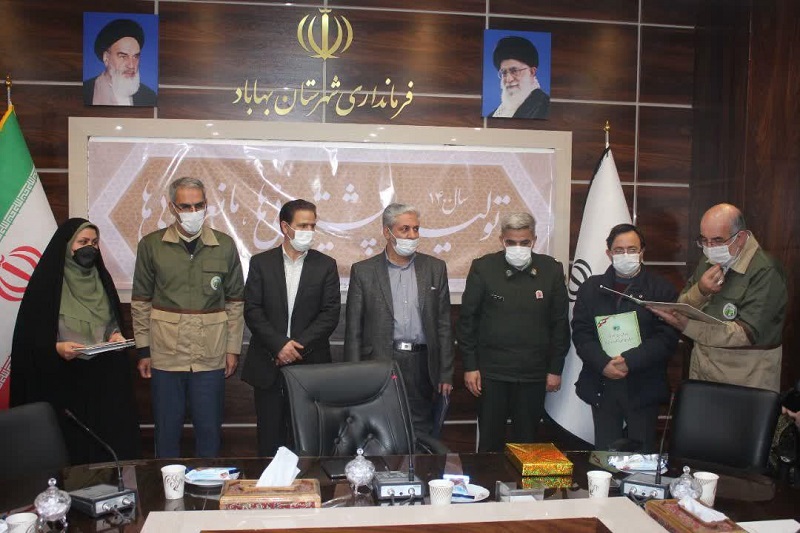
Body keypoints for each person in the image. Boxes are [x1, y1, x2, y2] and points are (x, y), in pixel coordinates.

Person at [10, 218, 141, 464]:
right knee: (69, 449)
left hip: (102, 377)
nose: (89, 247)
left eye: (94, 242)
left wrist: (114, 334)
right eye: (82, 242)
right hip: (64, 379)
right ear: (67, 245)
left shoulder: (101, 280)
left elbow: (111, 320)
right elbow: (31, 338)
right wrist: (56, 348)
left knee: (106, 444)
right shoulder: (47, 284)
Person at [132, 177, 244, 458]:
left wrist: (232, 349)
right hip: (166, 354)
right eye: (185, 206)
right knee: (167, 431)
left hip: (210, 353)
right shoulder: (151, 245)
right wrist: (144, 350)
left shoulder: (225, 245)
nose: (193, 212)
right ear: (172, 207)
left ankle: (207, 482)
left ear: (206, 205)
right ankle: (165, 483)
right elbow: (141, 303)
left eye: (199, 205)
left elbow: (235, 303)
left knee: (209, 431)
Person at [457, 212, 569, 452]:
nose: (518, 247)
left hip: (533, 374)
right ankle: (488, 478)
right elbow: (467, 321)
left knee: (527, 445)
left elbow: (560, 324)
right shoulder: (483, 268)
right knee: (490, 444)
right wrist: (470, 366)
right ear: (501, 240)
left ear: (534, 240)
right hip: (492, 374)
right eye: (511, 242)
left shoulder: (551, 270)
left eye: (524, 242)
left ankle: (523, 479)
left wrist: (555, 369)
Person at [649, 203, 787, 393]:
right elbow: (682, 307)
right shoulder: (710, 260)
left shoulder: (766, 270)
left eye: (717, 240)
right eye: (704, 240)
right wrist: (701, 290)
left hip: (745, 381)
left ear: (740, 238)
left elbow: (744, 334)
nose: (709, 248)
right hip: (703, 372)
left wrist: (687, 326)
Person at [344, 203, 453, 439]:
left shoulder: (435, 268)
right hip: (381, 360)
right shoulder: (364, 271)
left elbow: (443, 325)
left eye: (416, 229)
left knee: (420, 431)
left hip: (422, 363)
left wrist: (445, 373)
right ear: (387, 232)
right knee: (381, 430)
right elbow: (353, 331)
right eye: (405, 229)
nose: (412, 235)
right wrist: (352, 376)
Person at [241, 199, 341, 457]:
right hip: (268, 365)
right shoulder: (261, 263)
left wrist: (295, 348)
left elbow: (329, 314)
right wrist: (279, 345)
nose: (309, 231)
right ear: (285, 227)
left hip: (310, 366)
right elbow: (253, 310)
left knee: (308, 442)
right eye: (303, 225)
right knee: (269, 441)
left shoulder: (326, 265)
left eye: (312, 225)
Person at [571, 224, 680, 451]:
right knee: (605, 456)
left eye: (632, 249)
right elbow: (581, 332)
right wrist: (603, 363)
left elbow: (667, 338)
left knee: (642, 459)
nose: (625, 255)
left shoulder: (662, 289)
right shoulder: (591, 288)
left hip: (644, 384)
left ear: (642, 252)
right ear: (609, 253)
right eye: (619, 250)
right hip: (602, 382)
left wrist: (629, 360)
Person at [83, 18, 157, 106]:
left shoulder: (149, 96)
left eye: (135, 57)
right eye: (123, 56)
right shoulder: (86, 91)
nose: (131, 65)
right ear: (106, 58)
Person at [491, 35, 550, 119]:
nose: (509, 79)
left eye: (514, 71)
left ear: (532, 72)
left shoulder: (545, 106)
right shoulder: (495, 114)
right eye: (504, 73)